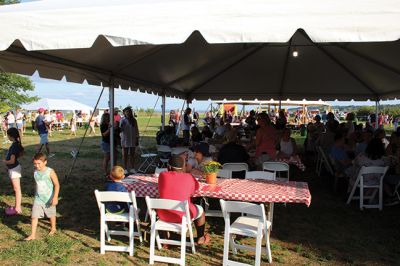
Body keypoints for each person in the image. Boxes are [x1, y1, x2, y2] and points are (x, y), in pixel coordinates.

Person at [158, 155, 210, 245]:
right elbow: (195, 188)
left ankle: (166, 238)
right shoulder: (188, 177)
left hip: (164, 214)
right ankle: (200, 237)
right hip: (183, 215)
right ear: (183, 167)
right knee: (200, 211)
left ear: (168, 167)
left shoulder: (162, 175)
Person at [25, 153, 60, 241]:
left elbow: (57, 185)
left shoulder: (50, 171)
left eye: (39, 163)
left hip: (49, 198)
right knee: (34, 216)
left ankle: (53, 228)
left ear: (45, 162)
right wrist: (36, 193)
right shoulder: (35, 172)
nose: (37, 166)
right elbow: (37, 184)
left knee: (51, 214)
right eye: (35, 164)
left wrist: (55, 197)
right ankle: (32, 235)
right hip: (38, 198)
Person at [2, 128, 24, 215]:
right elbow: (22, 153)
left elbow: (12, 161)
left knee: (17, 189)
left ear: (10, 136)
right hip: (14, 168)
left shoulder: (14, 146)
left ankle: (17, 208)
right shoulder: (16, 144)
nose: (7, 137)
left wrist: (5, 161)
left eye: (8, 135)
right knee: (17, 189)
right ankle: (17, 207)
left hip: (14, 169)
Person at [120, 107, 139, 174]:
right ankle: (125, 169)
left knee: (132, 154)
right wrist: (121, 127)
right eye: (126, 112)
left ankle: (132, 168)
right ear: (124, 113)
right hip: (125, 139)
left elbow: (136, 130)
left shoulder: (134, 120)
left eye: (129, 111)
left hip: (133, 139)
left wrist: (137, 138)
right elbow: (120, 130)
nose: (128, 113)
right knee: (124, 155)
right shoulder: (122, 120)